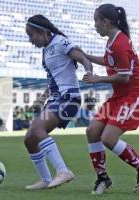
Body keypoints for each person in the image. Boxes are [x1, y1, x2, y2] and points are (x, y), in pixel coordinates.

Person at [82, 4, 139, 194]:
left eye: (96, 21)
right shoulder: (113, 40)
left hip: (134, 97)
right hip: (120, 97)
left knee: (108, 138)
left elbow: (125, 77)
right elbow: (109, 61)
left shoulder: (120, 43)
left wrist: (98, 79)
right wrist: (83, 55)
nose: (95, 25)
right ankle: (103, 178)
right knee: (92, 131)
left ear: (106, 22)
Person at [24, 14, 93, 190]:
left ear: (44, 32)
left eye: (32, 35)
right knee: (29, 139)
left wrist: (89, 72)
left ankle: (63, 171)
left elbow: (83, 58)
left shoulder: (61, 42)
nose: (30, 40)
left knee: (38, 129)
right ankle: (45, 179)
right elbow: (53, 79)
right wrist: (43, 96)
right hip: (56, 99)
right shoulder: (46, 51)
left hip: (69, 98)